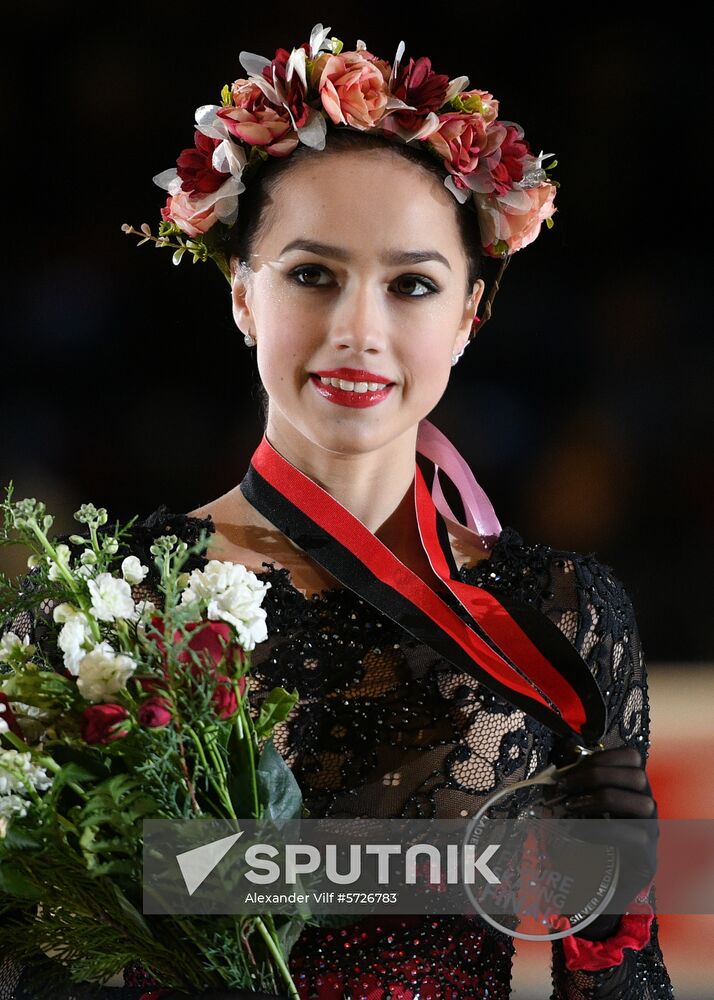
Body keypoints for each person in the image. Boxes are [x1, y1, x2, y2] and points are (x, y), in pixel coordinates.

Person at [2, 23, 674, 1000]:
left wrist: (612, 926)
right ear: (242, 293)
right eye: (314, 275)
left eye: (411, 284)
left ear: (469, 316)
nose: (360, 331)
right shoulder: (101, 614)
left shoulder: (564, 618)